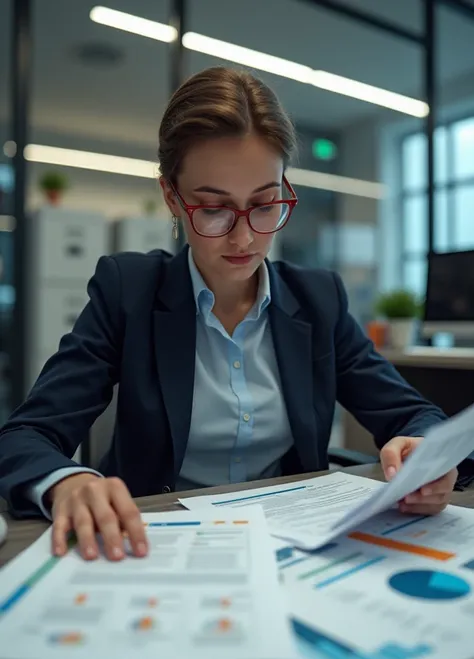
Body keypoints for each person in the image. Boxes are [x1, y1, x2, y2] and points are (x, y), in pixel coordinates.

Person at [0, 67, 463, 563]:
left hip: (292, 545)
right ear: (172, 197)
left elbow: (412, 414)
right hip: (156, 542)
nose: (244, 238)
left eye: (264, 204)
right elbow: (27, 434)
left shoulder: (318, 298)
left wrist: (427, 458)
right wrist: (67, 481)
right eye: (214, 209)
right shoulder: (128, 290)